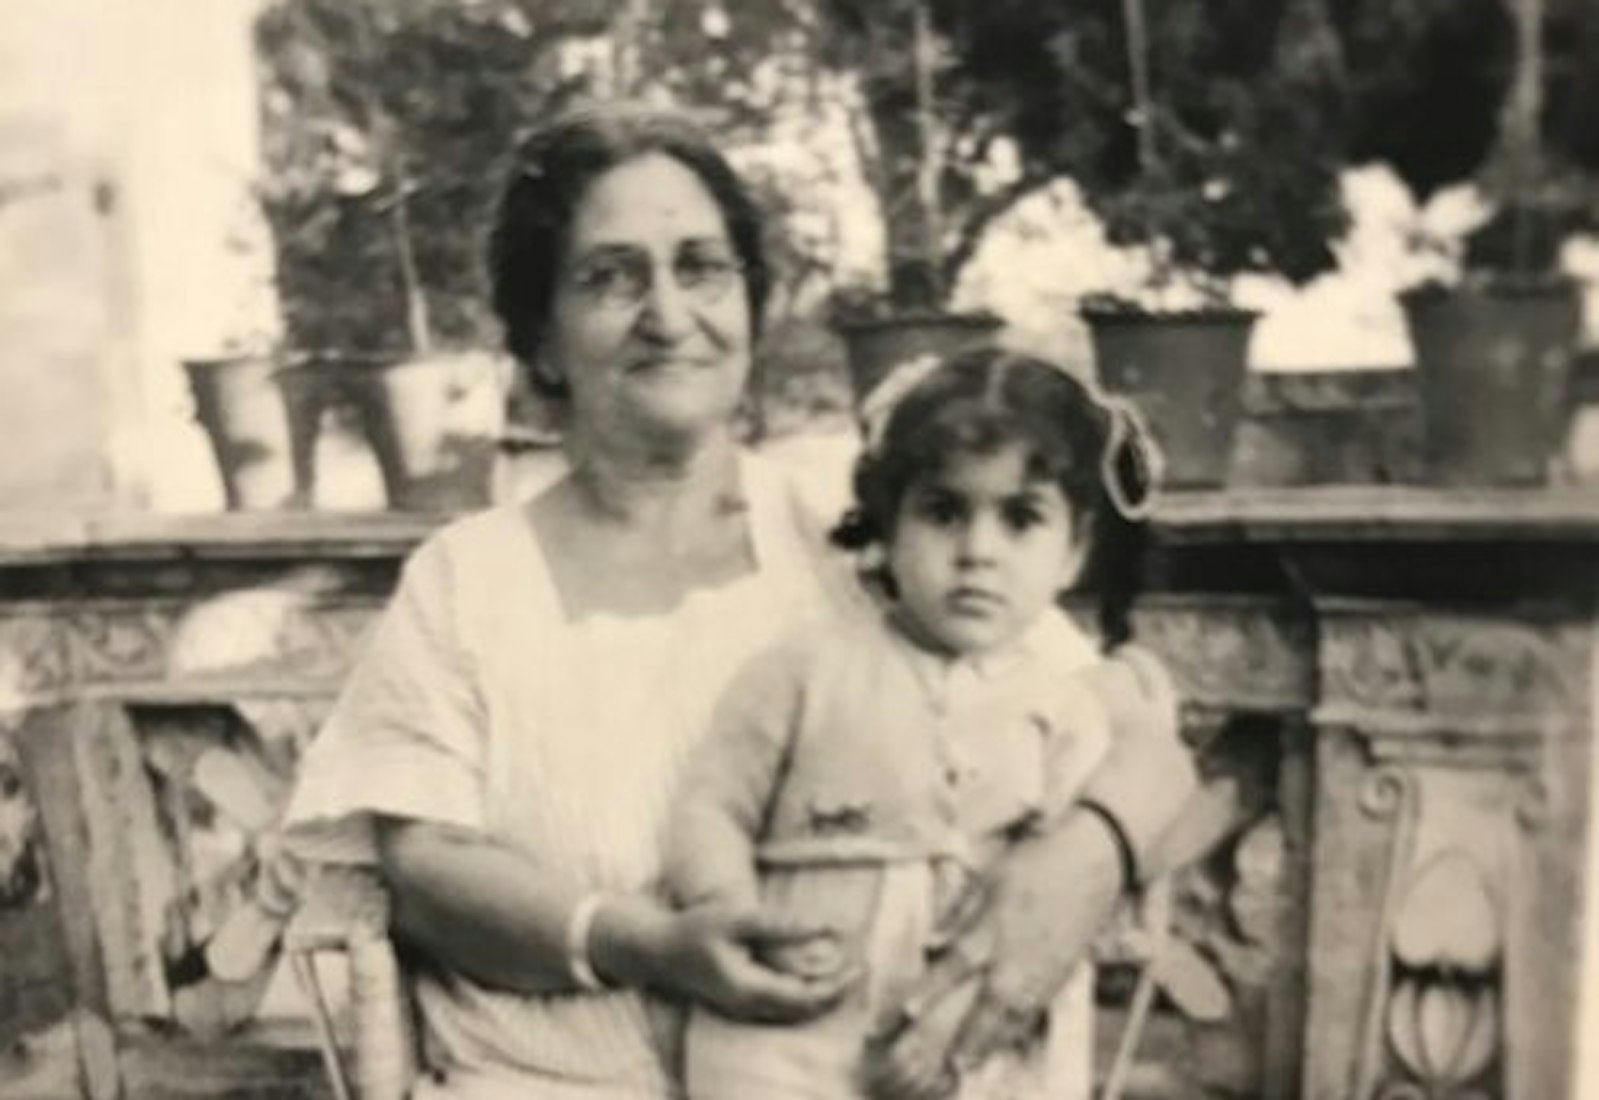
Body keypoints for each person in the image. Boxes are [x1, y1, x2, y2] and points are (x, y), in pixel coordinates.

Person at [283, 102, 1197, 1099]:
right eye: (609, 275)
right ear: (540, 336)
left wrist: (1086, 851)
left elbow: (1135, 731)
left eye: (701, 267)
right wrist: (653, 942)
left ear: (753, 309)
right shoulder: (468, 578)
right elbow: (424, 874)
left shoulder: (865, 531)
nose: (668, 314)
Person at [668, 348, 1155, 1100]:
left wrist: (961, 1020)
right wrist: (731, 912)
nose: (977, 553)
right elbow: (712, 805)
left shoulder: (1068, 710)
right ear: (888, 523)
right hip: (794, 1030)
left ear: (1073, 552)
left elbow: (1069, 902)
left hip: (974, 1040)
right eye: (942, 512)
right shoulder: (804, 668)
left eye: (1020, 519)